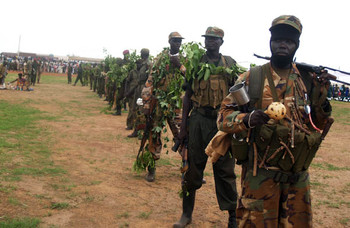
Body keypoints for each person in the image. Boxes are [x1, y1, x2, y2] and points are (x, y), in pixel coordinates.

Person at [217, 15, 332, 227]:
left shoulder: (307, 80)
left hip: (296, 177)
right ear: (270, 42)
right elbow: (223, 118)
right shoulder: (252, 77)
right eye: (278, 39)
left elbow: (317, 125)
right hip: (259, 175)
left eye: (288, 41)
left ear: (296, 45)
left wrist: (322, 100)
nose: (282, 44)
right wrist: (248, 118)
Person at [173, 27, 237, 228]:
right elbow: (187, 98)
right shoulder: (196, 63)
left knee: (225, 171)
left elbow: (237, 95)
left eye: (214, 39)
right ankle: (186, 214)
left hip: (221, 124)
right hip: (198, 121)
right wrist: (183, 127)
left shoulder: (230, 64)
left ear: (221, 42)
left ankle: (233, 218)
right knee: (192, 168)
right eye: (208, 38)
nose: (210, 42)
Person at [140, 32, 186, 182]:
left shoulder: (184, 60)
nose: (177, 44)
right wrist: (146, 102)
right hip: (159, 103)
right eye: (174, 41)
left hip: (176, 104)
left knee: (182, 135)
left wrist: (179, 65)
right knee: (154, 135)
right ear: (169, 42)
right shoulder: (160, 59)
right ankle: (151, 168)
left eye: (179, 41)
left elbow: (190, 78)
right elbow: (150, 80)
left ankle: (187, 169)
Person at [128, 48, 151, 138]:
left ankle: (141, 132)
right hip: (139, 88)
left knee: (141, 110)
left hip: (144, 89)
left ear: (143, 54)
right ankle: (136, 130)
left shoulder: (148, 65)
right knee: (136, 109)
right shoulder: (142, 64)